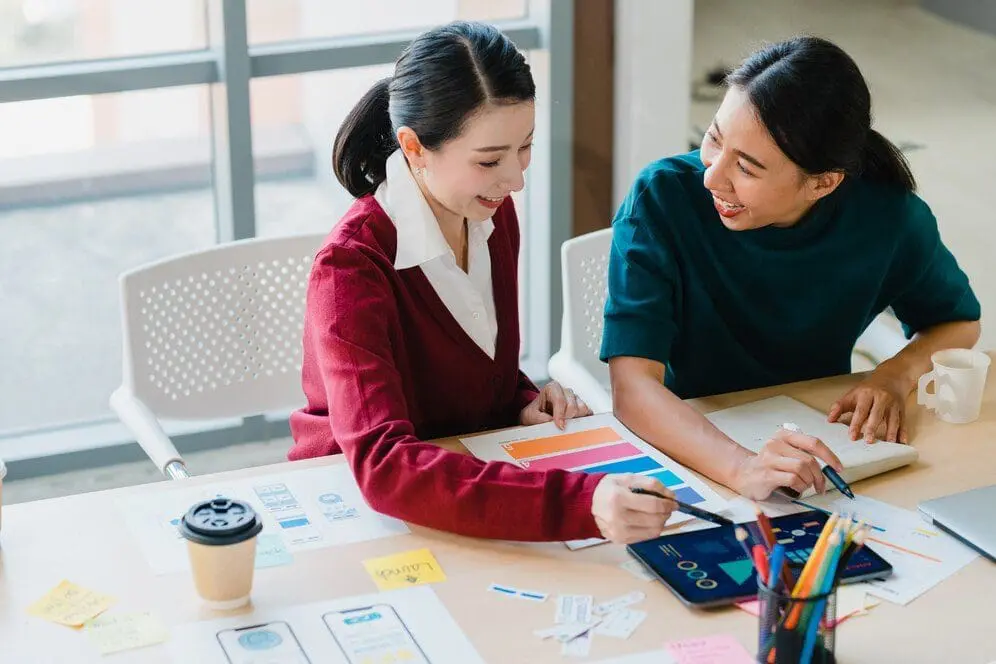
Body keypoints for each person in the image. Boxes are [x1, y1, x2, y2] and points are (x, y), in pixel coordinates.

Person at [289, 22, 675, 544]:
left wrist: (517, 398)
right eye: (490, 160)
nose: (516, 179)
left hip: (464, 473)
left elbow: (469, 359)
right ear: (415, 148)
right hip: (357, 509)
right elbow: (384, 465)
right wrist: (580, 503)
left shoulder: (491, 214)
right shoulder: (351, 269)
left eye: (525, 147)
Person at [602, 36, 981, 501]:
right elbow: (633, 386)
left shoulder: (888, 217)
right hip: (693, 441)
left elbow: (957, 323)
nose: (712, 176)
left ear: (822, 183)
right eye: (714, 138)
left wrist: (893, 377)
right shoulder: (661, 199)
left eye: (746, 167)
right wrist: (743, 468)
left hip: (819, 435)